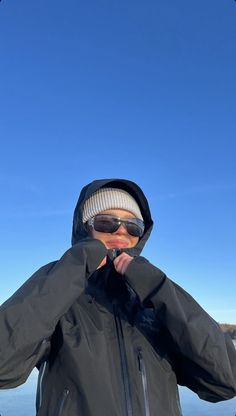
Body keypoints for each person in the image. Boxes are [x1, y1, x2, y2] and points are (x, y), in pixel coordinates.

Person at [0, 178, 235, 416]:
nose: (121, 230)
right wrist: (75, 265)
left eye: (133, 226)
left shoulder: (157, 300)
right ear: (84, 228)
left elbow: (226, 381)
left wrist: (159, 288)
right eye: (106, 222)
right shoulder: (59, 284)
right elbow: (4, 364)